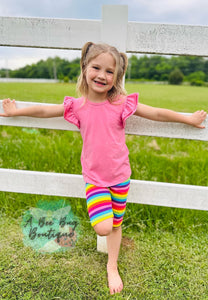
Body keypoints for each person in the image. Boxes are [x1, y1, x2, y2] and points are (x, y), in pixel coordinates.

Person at [0, 42, 207, 295]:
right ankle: (108, 251)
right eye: (96, 67)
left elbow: (156, 114)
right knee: (103, 227)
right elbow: (45, 110)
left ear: (117, 76)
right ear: (85, 68)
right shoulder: (78, 106)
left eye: (110, 71)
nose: (102, 75)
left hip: (120, 177)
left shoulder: (120, 103)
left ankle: (112, 265)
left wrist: (188, 118)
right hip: (95, 179)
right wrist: (14, 111)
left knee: (116, 224)